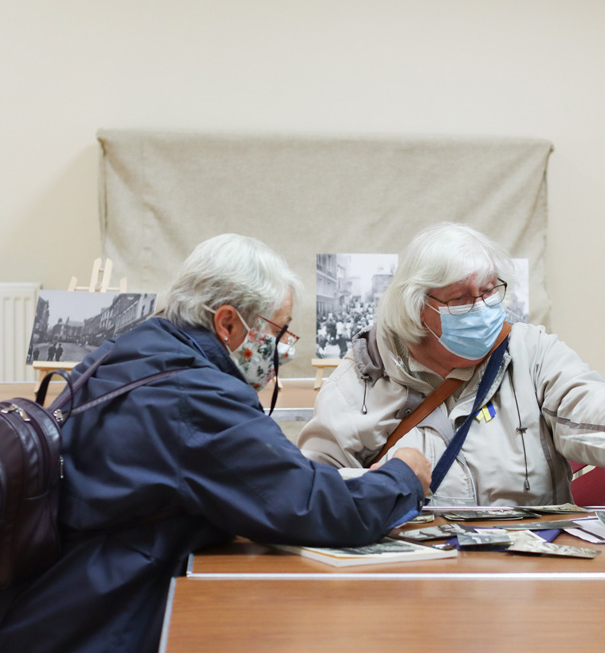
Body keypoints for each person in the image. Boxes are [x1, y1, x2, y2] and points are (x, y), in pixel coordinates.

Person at [0, 234, 431, 653]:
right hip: (101, 622)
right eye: (278, 331)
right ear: (226, 322)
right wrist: (403, 477)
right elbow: (307, 503)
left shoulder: (127, 351)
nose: (280, 349)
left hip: (49, 602)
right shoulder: (193, 396)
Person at [299, 222, 605, 506]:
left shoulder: (530, 350)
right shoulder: (361, 379)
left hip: (526, 570)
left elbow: (580, 397)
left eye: (489, 291)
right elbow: (314, 489)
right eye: (460, 297)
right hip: (415, 571)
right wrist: (378, 484)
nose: (481, 307)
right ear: (418, 306)